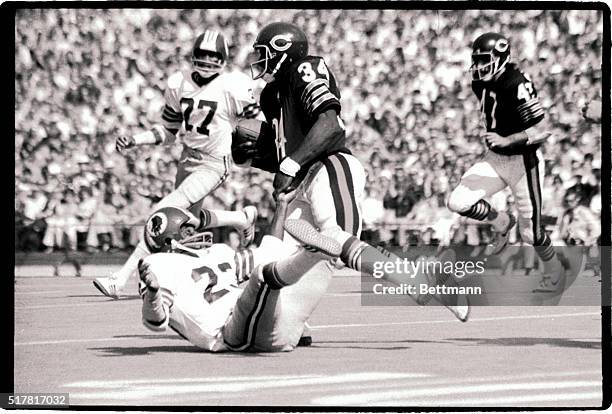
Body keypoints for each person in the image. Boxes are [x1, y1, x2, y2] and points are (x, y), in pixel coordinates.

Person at [234, 22, 468, 321]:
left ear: (283, 50)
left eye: (264, 53)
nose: (258, 60)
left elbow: (329, 125)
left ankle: (422, 282)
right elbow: (286, 148)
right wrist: (252, 154)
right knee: (280, 257)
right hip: (303, 183)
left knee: (335, 240)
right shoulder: (270, 96)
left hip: (329, 166)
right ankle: (288, 321)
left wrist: (290, 164)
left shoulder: (305, 68)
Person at [94, 30, 260, 297]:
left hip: (215, 163)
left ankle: (121, 278)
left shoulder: (233, 85)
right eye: (202, 56)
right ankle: (241, 218)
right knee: (185, 223)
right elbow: (169, 131)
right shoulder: (178, 83)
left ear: (223, 59)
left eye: (212, 56)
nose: (206, 61)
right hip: (187, 159)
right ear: (193, 55)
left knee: (163, 214)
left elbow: (257, 122)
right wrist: (136, 140)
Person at [446, 32, 582, 292]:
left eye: (484, 60)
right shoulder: (482, 83)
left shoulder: (516, 82)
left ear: (500, 57)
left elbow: (543, 129)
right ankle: (501, 222)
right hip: (495, 159)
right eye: (475, 60)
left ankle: (555, 271)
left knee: (531, 233)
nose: (478, 66)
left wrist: (507, 140)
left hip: (523, 162)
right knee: (457, 201)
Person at [138, 191, 339, 352]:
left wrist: (281, 207)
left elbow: (269, 252)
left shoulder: (217, 252)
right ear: (168, 240)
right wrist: (153, 294)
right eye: (188, 231)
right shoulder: (159, 263)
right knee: (263, 276)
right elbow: (155, 323)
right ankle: (310, 254)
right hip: (232, 330)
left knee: (328, 259)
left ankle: (315, 254)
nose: (196, 234)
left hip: (279, 329)